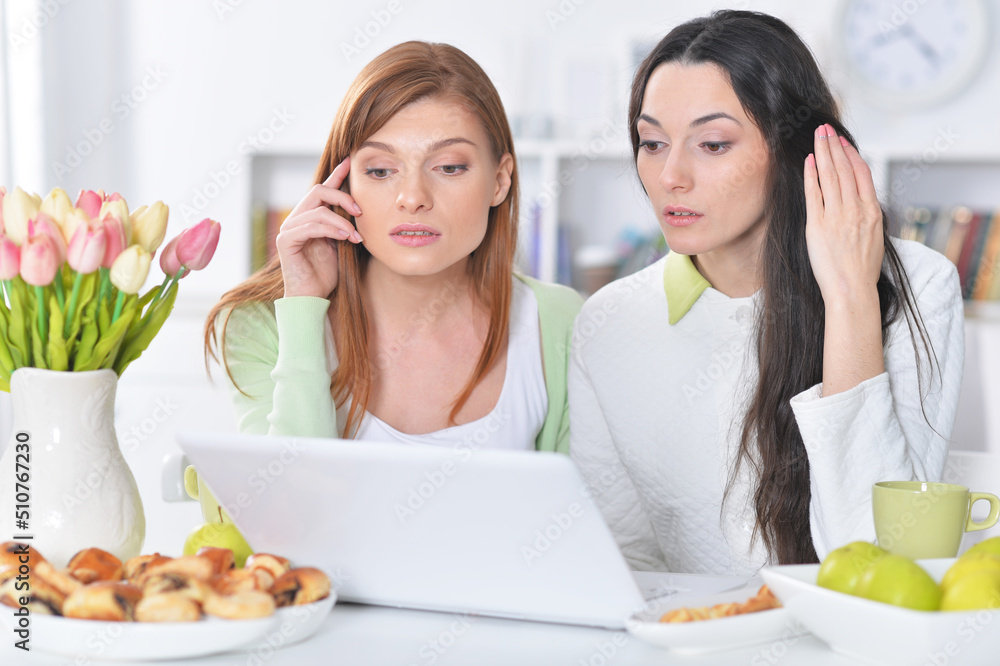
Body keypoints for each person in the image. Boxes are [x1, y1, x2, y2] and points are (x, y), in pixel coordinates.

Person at [569, 10, 964, 575]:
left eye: (712, 144)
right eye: (652, 143)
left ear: (790, 150)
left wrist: (850, 296)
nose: (670, 176)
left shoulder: (917, 287)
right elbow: (622, 559)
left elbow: (885, 562)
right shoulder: (608, 322)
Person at [205, 41, 582, 453]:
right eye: (381, 170)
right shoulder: (260, 326)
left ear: (500, 180)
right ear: (345, 183)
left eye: (449, 167)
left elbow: (579, 494)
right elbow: (287, 490)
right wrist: (304, 311)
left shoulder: (560, 323)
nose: (413, 197)